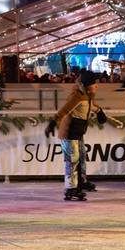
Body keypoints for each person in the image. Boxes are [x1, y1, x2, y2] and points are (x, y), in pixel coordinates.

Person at [45, 70, 107, 202]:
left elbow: (91, 106)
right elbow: (64, 110)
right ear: (86, 85)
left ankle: (81, 182)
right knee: (72, 161)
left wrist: (100, 111)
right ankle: (70, 189)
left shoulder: (87, 96)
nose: (96, 86)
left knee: (82, 157)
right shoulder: (77, 96)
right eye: (94, 84)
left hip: (78, 133)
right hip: (69, 132)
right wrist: (52, 123)